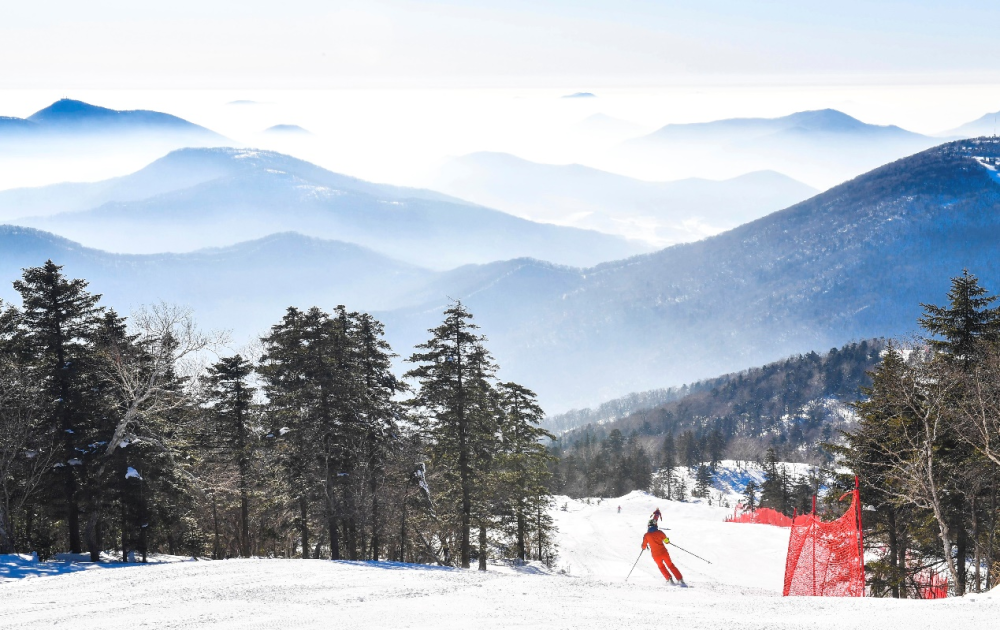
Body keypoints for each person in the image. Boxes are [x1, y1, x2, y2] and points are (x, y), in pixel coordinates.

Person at [641, 519, 686, 587]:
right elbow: (666, 541)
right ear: (656, 525)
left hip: (655, 555)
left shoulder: (646, 535)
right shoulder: (660, 532)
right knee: (670, 565)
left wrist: (643, 547)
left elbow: (643, 546)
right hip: (664, 553)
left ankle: (669, 579)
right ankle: (680, 579)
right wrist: (667, 540)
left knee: (661, 567)